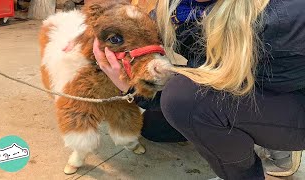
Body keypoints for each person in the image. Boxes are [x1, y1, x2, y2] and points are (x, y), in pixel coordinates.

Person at [93, 0, 305, 179]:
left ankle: (253, 166)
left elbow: (213, 83)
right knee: (153, 127)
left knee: (185, 102)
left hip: (290, 98)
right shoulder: (181, 7)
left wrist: (132, 88)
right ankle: (247, 132)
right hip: (237, 78)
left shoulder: (282, 18)